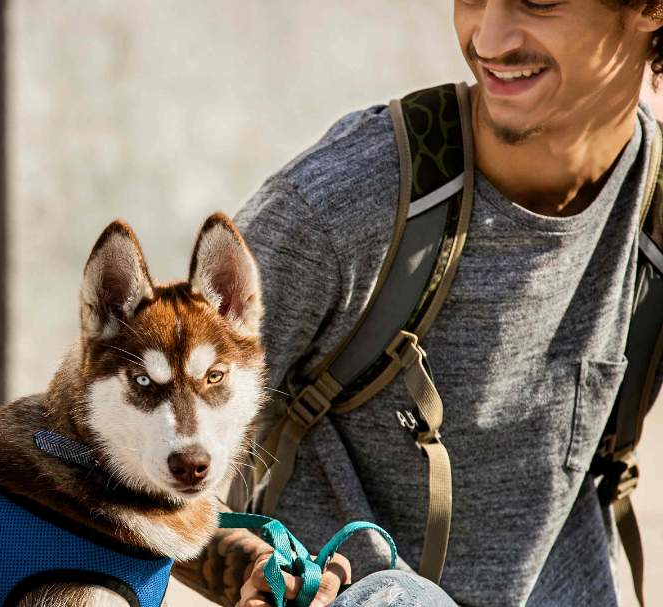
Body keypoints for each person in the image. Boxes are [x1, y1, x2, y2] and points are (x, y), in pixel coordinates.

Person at [174, 1, 663, 606]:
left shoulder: (655, 213)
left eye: (537, 1)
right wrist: (257, 568)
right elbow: (126, 470)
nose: (488, 37)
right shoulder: (341, 208)